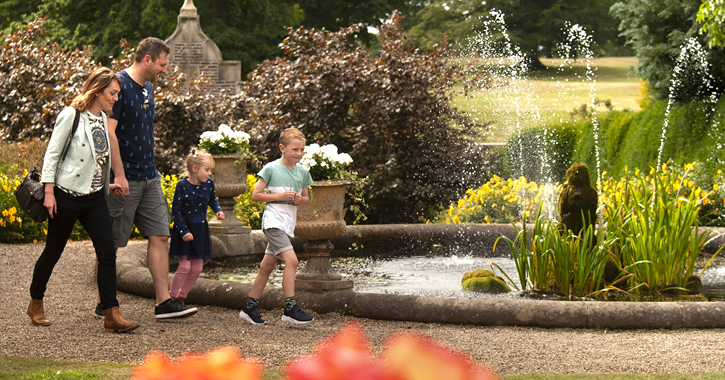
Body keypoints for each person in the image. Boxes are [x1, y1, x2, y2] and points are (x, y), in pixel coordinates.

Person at [30, 67, 140, 333]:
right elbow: (52, 155)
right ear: (98, 90)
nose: (115, 98)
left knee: (107, 254)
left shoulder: (103, 119)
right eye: (112, 93)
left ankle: (111, 314)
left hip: (95, 199)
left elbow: (98, 162)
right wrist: (48, 192)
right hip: (65, 197)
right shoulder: (71, 115)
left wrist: (108, 185)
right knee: (52, 253)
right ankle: (36, 302)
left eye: (117, 94)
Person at [101, 37, 197, 319]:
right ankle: (103, 300)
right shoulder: (117, 86)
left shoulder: (148, 88)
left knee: (160, 236)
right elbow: (109, 133)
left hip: (149, 176)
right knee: (110, 242)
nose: (165, 70)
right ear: (147, 60)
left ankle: (163, 302)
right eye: (162, 64)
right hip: (123, 178)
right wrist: (118, 174)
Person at [239, 127, 315, 325]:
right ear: (282, 148)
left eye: (301, 150)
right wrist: (279, 197)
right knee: (292, 261)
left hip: (287, 224)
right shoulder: (271, 168)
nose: (298, 154)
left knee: (267, 266)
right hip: (273, 223)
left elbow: (307, 198)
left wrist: (300, 199)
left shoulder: (303, 172)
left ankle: (250, 307)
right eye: (294, 150)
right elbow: (256, 195)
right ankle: (290, 308)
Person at [168, 149, 224, 304]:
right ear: (194, 169)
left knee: (197, 268)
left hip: (200, 230)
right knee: (184, 266)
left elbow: (213, 199)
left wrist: (218, 210)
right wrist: (183, 231)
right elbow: (176, 211)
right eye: (207, 170)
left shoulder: (209, 184)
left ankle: (182, 296)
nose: (209, 173)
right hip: (184, 231)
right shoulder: (182, 186)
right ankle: (171, 297)